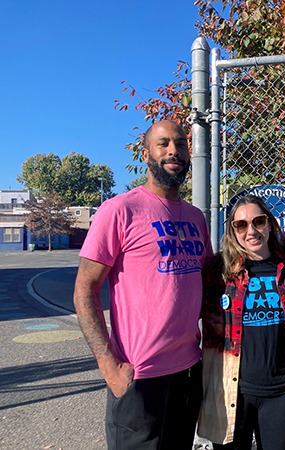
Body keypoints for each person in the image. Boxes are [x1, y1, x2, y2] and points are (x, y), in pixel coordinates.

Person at [73, 120, 213, 450]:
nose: (173, 151)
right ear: (146, 153)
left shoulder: (196, 218)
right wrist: (109, 365)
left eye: (180, 143)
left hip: (188, 369)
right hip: (139, 374)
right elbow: (84, 290)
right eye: (163, 143)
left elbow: (205, 282)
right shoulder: (120, 210)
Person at [197, 195, 285, 450]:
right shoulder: (217, 270)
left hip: (281, 390)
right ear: (232, 231)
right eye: (241, 225)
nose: (251, 231)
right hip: (232, 390)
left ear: (270, 224)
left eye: (258, 221)